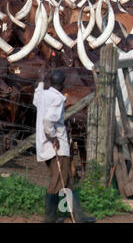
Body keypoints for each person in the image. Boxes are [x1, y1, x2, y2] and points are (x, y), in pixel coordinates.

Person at [33, 69, 96, 223]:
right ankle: (49, 218)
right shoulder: (57, 99)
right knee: (57, 181)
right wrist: (53, 137)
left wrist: (41, 81)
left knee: (66, 180)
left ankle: (75, 216)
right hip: (57, 147)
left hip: (43, 144)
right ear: (62, 85)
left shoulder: (43, 95)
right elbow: (49, 121)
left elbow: (36, 98)